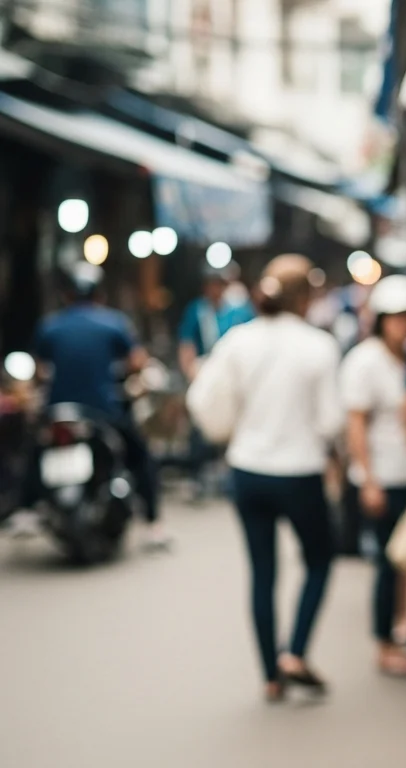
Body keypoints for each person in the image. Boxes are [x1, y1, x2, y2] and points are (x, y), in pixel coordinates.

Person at [187, 254, 343, 702]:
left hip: (248, 470)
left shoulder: (238, 340)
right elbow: (330, 420)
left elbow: (207, 396)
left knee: (262, 572)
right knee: (318, 560)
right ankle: (294, 651)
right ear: (305, 296)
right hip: (299, 472)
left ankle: (270, 677)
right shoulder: (319, 345)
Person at [31, 263, 167, 547]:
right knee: (141, 456)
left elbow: (39, 371)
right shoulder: (114, 323)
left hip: (57, 410)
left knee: (33, 450)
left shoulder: (50, 325)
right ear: (100, 295)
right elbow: (136, 362)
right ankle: (153, 523)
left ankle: (25, 507)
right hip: (103, 411)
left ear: (67, 295)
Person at [340, 275, 406, 677]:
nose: (403, 324)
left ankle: (401, 621)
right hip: (382, 475)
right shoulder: (365, 360)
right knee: (387, 564)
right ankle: (384, 641)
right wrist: (368, 479)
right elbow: (355, 424)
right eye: (397, 317)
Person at [178, 268, 254, 496]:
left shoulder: (239, 311)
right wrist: (194, 375)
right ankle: (197, 475)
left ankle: (232, 475)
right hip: (205, 372)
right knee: (200, 423)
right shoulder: (197, 311)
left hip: (232, 374)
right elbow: (186, 346)